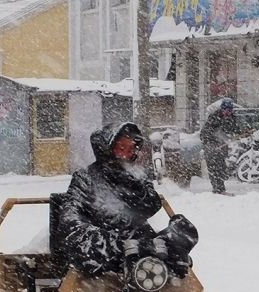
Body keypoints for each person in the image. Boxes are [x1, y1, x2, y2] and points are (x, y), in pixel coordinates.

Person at [58, 122, 196, 278]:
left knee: (183, 227)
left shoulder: (139, 177)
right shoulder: (86, 178)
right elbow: (70, 223)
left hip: (144, 255)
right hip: (103, 257)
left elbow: (151, 207)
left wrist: (170, 245)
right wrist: (119, 246)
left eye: (131, 149)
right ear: (107, 149)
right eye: (121, 148)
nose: (126, 155)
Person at [200, 97, 239, 195]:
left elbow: (235, 130)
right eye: (226, 110)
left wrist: (235, 134)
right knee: (214, 168)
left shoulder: (232, 118)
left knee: (222, 168)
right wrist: (214, 141)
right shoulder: (214, 117)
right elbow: (204, 133)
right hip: (210, 145)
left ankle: (220, 189)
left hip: (222, 147)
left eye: (230, 110)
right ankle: (218, 190)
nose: (228, 112)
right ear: (222, 109)